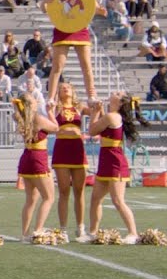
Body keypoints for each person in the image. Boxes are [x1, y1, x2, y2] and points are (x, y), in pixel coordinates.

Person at [43, 0, 107, 105]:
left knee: (86, 66)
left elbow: (92, 8)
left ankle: (91, 96)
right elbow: (45, 8)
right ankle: (51, 98)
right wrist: (45, 1)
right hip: (62, 28)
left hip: (80, 29)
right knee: (57, 66)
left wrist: (100, 11)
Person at [86, 92, 147, 244]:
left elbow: (92, 131)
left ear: (120, 103)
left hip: (115, 162)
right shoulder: (110, 115)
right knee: (95, 199)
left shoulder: (112, 116)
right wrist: (98, 111)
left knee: (118, 200)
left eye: (118, 94)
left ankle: (133, 233)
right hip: (106, 161)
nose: (114, 92)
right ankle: (92, 232)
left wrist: (95, 112)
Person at [13, 95, 59, 241]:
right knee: (49, 197)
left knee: (30, 199)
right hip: (38, 158)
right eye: (34, 100)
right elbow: (56, 127)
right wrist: (51, 112)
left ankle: (25, 233)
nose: (37, 101)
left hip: (27, 157)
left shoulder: (20, 117)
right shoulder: (37, 118)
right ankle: (38, 230)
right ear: (29, 105)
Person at [51, 83, 89, 241]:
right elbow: (52, 126)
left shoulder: (79, 106)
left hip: (77, 150)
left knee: (79, 190)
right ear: (58, 91)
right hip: (62, 150)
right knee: (64, 190)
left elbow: (95, 112)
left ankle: (81, 227)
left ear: (73, 91)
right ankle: (63, 229)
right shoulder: (55, 107)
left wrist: (97, 105)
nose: (65, 88)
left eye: (68, 87)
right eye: (62, 87)